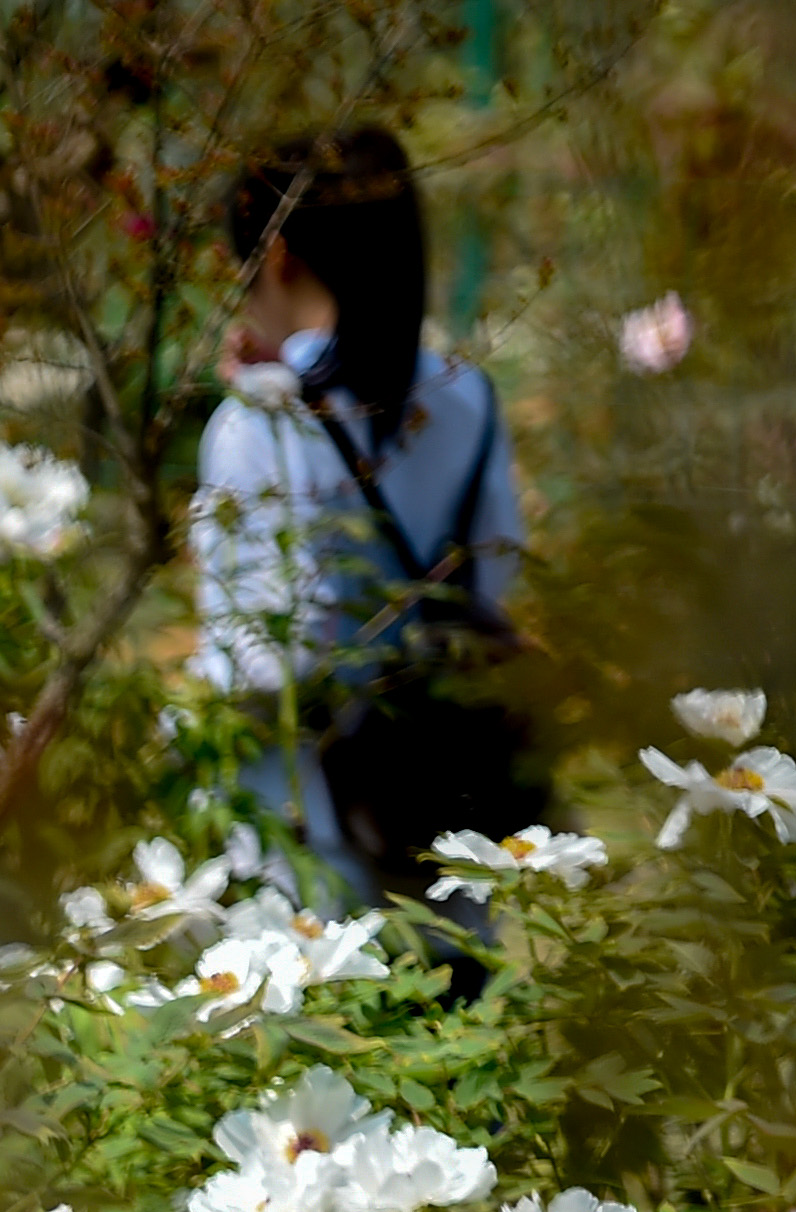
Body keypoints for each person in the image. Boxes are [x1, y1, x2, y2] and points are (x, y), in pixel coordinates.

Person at [188, 129, 536, 907]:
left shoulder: (256, 427)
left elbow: (265, 658)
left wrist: (180, 710)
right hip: (440, 800)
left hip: (306, 831)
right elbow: (496, 573)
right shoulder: (466, 394)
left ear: (276, 255)